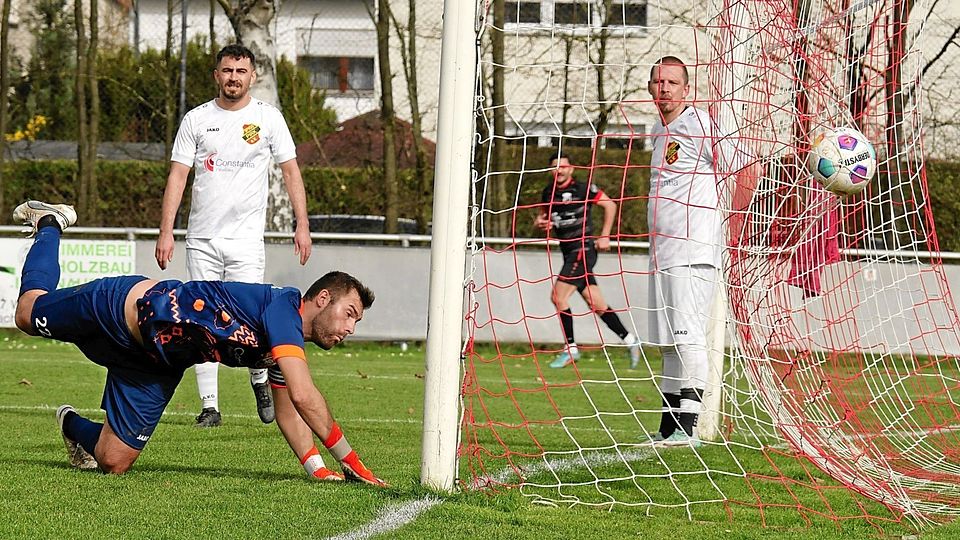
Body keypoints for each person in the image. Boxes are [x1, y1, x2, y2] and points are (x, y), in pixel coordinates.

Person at [13, 200, 384, 485]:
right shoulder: (283, 307)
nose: (351, 327)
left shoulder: (286, 348)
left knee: (114, 460)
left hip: (156, 363)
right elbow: (305, 396)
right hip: (119, 309)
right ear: (321, 299)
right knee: (27, 313)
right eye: (349, 312)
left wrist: (318, 470)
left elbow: (288, 409)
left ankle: (71, 425)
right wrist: (353, 463)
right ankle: (49, 223)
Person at [155, 44, 313, 428]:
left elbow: (291, 171)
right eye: (227, 71)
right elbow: (178, 176)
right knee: (200, 321)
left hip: (245, 241)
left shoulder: (268, 118)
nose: (233, 78)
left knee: (249, 318)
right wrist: (166, 231)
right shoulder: (196, 119)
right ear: (216, 75)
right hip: (202, 239)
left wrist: (302, 223)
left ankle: (259, 379)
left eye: (241, 71)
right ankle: (210, 407)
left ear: (252, 76)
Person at [646, 56, 724, 447]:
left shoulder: (700, 123)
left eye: (672, 82)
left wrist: (733, 227)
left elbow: (741, 168)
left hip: (692, 250)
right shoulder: (657, 129)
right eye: (659, 81)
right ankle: (667, 427)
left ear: (686, 88)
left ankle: (688, 428)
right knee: (669, 342)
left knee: (688, 336)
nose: (665, 88)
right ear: (649, 88)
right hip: (663, 251)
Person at [534, 154, 641, 369]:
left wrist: (605, 235)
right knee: (596, 303)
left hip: (582, 250)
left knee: (558, 296)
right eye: (555, 167)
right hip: (568, 252)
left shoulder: (584, 189)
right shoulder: (548, 192)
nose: (560, 171)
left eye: (563, 167)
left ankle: (570, 349)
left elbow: (610, 205)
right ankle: (631, 341)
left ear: (571, 169)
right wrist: (540, 222)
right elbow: (543, 218)